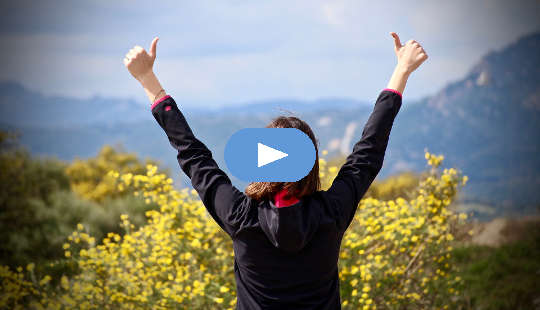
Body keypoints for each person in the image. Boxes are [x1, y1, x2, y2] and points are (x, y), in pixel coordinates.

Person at [123, 32, 427, 310]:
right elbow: (369, 152)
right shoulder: (331, 212)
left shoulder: (239, 215)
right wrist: (402, 71)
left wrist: (148, 78)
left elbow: (192, 154)